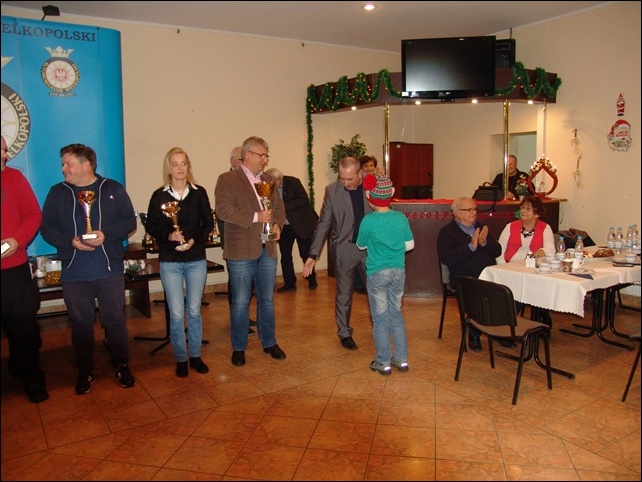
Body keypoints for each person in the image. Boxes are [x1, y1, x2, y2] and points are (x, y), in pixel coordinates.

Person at [40, 143, 137, 394]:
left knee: (115, 321)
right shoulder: (57, 193)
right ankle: (85, 371)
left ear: (86, 165)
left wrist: (107, 235)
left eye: (68, 164)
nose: (64, 169)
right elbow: (46, 228)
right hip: (74, 273)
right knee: (81, 324)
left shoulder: (112, 188)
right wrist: (69, 241)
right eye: (63, 164)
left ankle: (122, 365)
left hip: (109, 270)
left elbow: (129, 221)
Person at [214, 136, 286, 367]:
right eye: (261, 155)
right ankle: (239, 347)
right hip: (241, 250)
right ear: (247, 155)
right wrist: (256, 217)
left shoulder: (268, 179)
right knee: (240, 302)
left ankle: (269, 342)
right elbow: (223, 210)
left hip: (268, 248)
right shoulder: (227, 179)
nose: (265, 160)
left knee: (267, 300)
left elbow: (279, 208)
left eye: (266, 156)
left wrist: (277, 224)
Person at [144, 147, 214, 378]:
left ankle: (196, 355)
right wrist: (169, 236)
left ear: (188, 166)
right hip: (171, 261)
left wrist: (194, 240)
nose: (180, 168)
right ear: (169, 168)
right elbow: (151, 225)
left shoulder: (199, 193)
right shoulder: (159, 195)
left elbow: (208, 223)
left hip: (195, 260)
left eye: (183, 163)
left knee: (193, 311)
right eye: (175, 164)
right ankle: (181, 358)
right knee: (175, 314)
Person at [302, 157, 371, 350]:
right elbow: (324, 223)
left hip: (370, 250)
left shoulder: (373, 185)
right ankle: (344, 333)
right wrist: (313, 254)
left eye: (350, 179)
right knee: (343, 294)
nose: (345, 183)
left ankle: (379, 328)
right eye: (342, 178)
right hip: (345, 249)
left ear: (360, 174)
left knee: (375, 292)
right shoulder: (332, 191)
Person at [1, 135, 49, 403]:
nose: (3, 155)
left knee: (23, 328)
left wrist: (17, 241)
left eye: (3, 150)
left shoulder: (16, 179)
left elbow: (33, 214)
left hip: (14, 269)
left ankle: (31, 376)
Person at [356, 174, 414, 375]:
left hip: (377, 273)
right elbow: (410, 245)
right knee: (396, 314)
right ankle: (402, 359)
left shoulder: (368, 221)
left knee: (380, 318)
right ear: (392, 193)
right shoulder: (400, 217)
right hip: (398, 271)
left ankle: (383, 361)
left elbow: (361, 245)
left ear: (368, 196)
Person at [436, 196, 503, 351]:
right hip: (464, 278)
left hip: (488, 274)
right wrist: (471, 247)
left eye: (475, 209)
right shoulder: (446, 232)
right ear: (457, 212)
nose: (474, 213)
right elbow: (446, 258)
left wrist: (484, 243)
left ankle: (501, 331)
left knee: (508, 292)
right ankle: (474, 334)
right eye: (469, 209)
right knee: (478, 292)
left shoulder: (481, 227)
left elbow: (497, 251)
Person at [497, 194, 555, 326]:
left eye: (528, 209)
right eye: (522, 208)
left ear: (537, 213)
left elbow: (550, 248)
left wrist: (541, 251)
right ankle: (508, 323)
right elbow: (500, 250)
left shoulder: (545, 228)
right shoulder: (510, 227)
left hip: (533, 270)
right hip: (511, 269)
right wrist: (503, 266)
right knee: (516, 291)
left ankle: (541, 315)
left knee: (539, 287)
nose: (523, 211)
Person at [217, 146, 257, 334]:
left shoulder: (254, 179)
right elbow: (223, 214)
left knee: (249, 286)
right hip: (235, 243)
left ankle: (245, 317)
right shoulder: (226, 180)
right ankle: (238, 322)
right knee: (237, 286)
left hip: (253, 243)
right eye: (241, 159)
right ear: (233, 161)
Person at [265, 167, 319, 292]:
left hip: (301, 225)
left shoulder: (293, 182)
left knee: (305, 253)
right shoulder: (269, 188)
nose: (272, 185)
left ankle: (311, 279)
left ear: (279, 179)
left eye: (273, 182)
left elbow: (303, 199)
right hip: (284, 227)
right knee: (285, 256)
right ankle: (289, 283)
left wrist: (282, 207)